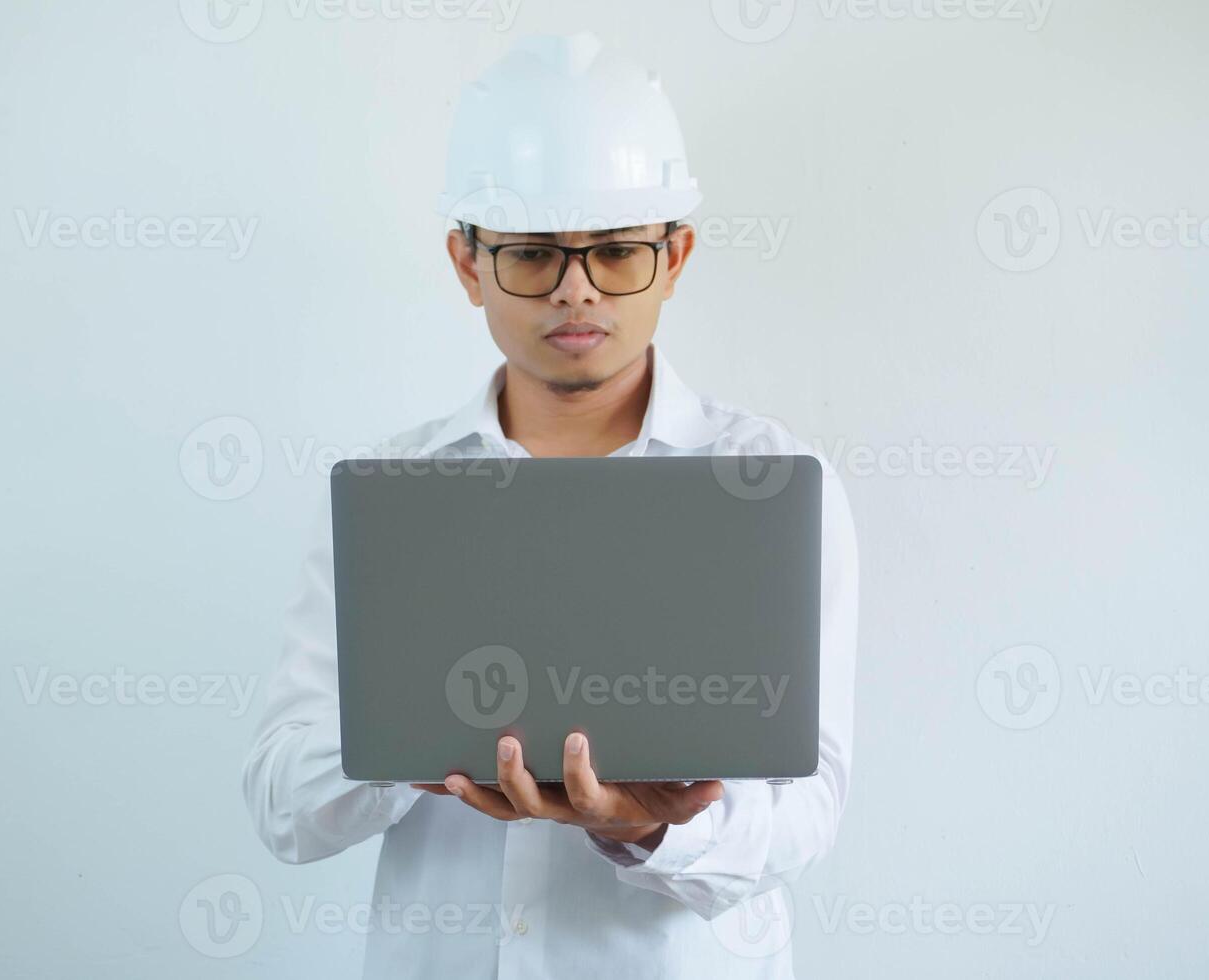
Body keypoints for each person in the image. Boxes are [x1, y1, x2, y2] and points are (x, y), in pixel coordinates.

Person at [242, 31, 858, 979]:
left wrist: (651, 828)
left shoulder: (768, 483)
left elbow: (808, 806)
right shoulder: (388, 497)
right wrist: (405, 745)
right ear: (466, 262)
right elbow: (283, 805)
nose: (577, 291)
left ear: (676, 252)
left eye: (615, 253)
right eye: (532, 254)